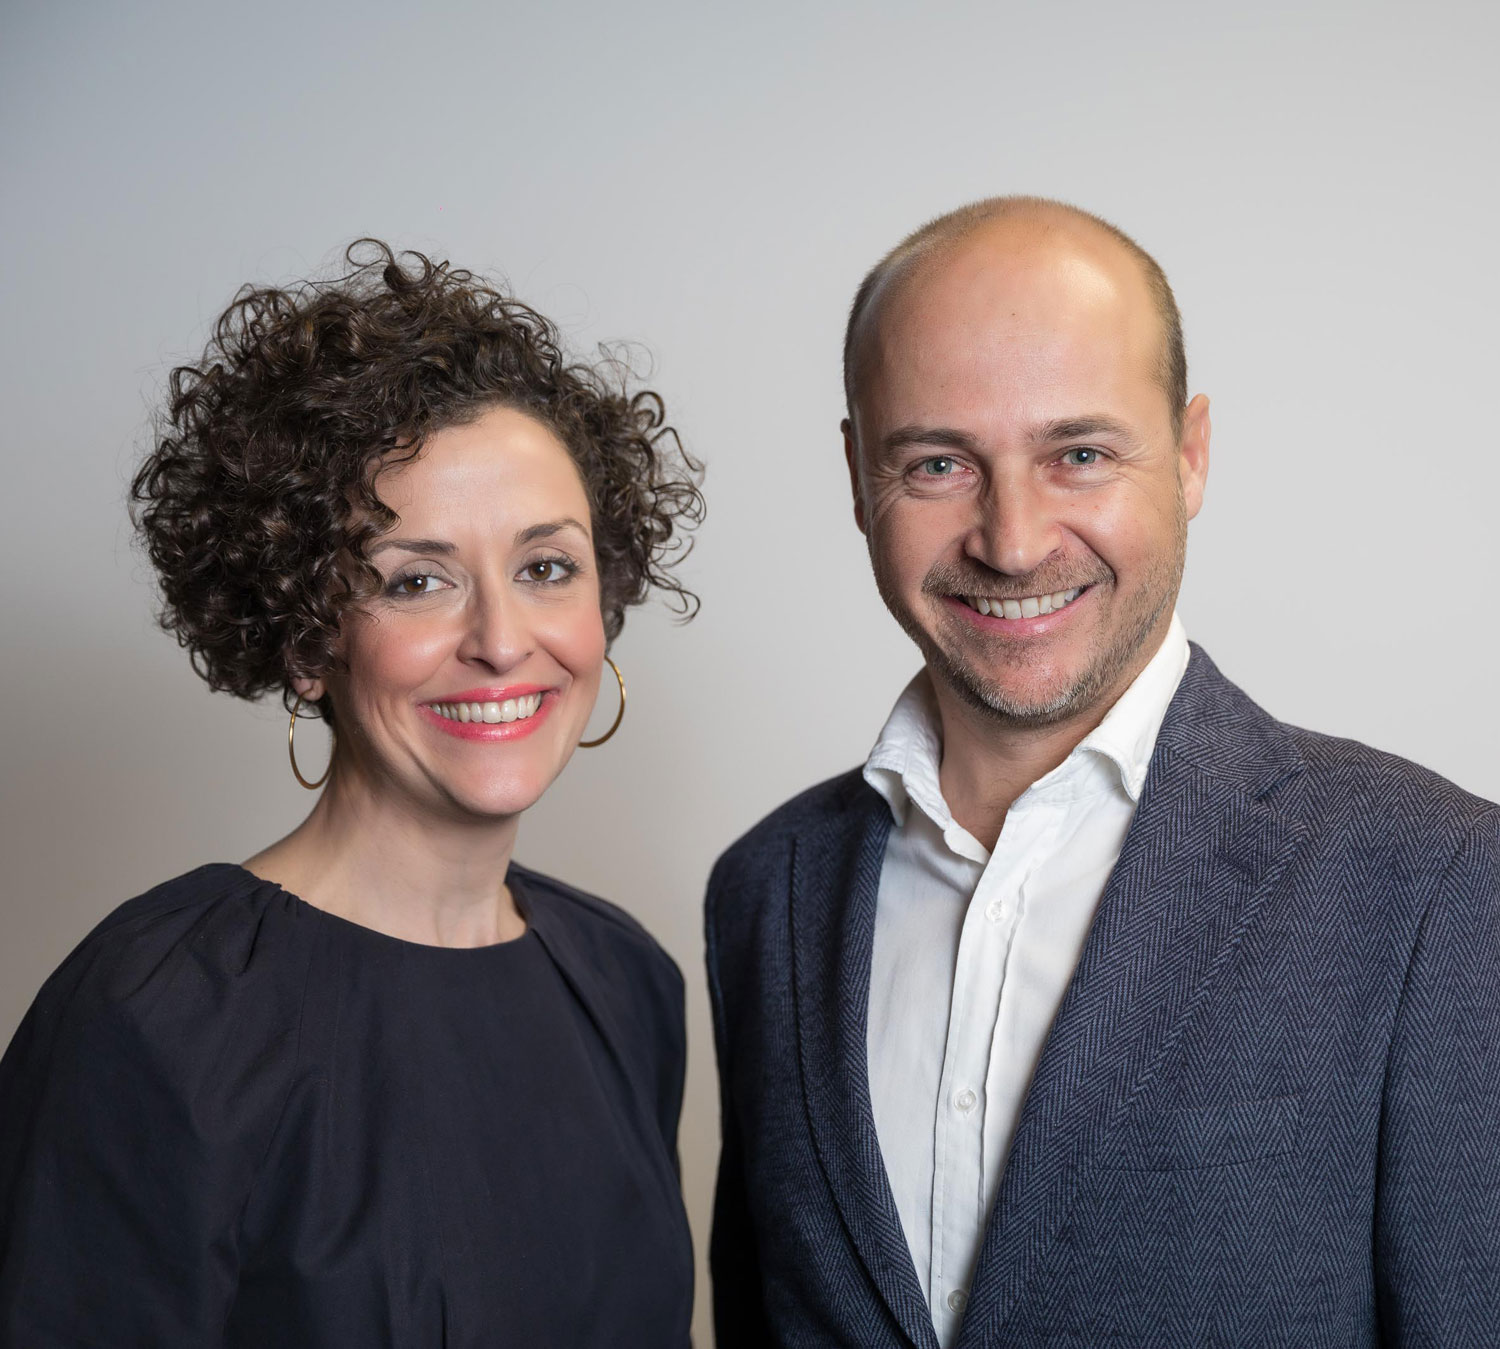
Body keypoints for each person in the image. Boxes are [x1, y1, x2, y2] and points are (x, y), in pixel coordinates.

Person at [706, 197, 1499, 1347]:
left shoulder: (1437, 879)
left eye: (1078, 454)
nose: (1014, 540)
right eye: (938, 463)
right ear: (856, 471)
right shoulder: (764, 888)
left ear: (1190, 453)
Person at [0, 242, 702, 1346]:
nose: (502, 640)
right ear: (305, 640)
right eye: (417, 580)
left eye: (546, 567)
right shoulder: (157, 1016)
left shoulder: (625, 980)